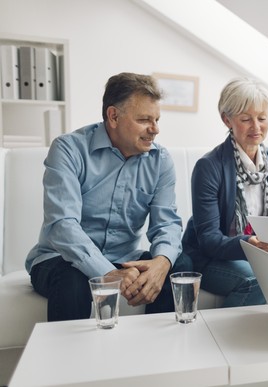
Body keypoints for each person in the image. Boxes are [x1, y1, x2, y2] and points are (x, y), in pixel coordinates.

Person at [26, 72, 191, 322]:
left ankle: (158, 356)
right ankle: (68, 361)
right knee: (76, 280)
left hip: (124, 258)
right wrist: (107, 273)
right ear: (113, 116)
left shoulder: (161, 160)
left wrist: (161, 262)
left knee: (180, 265)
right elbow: (63, 226)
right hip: (59, 259)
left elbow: (166, 224)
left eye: (156, 119)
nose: (155, 129)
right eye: (144, 119)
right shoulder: (69, 149)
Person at [180, 77, 268, 307]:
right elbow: (209, 239)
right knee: (257, 280)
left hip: (257, 254)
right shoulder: (209, 166)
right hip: (211, 257)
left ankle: (257, 333)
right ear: (227, 120)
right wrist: (249, 243)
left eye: (262, 118)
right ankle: (221, 336)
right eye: (246, 119)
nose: (256, 127)